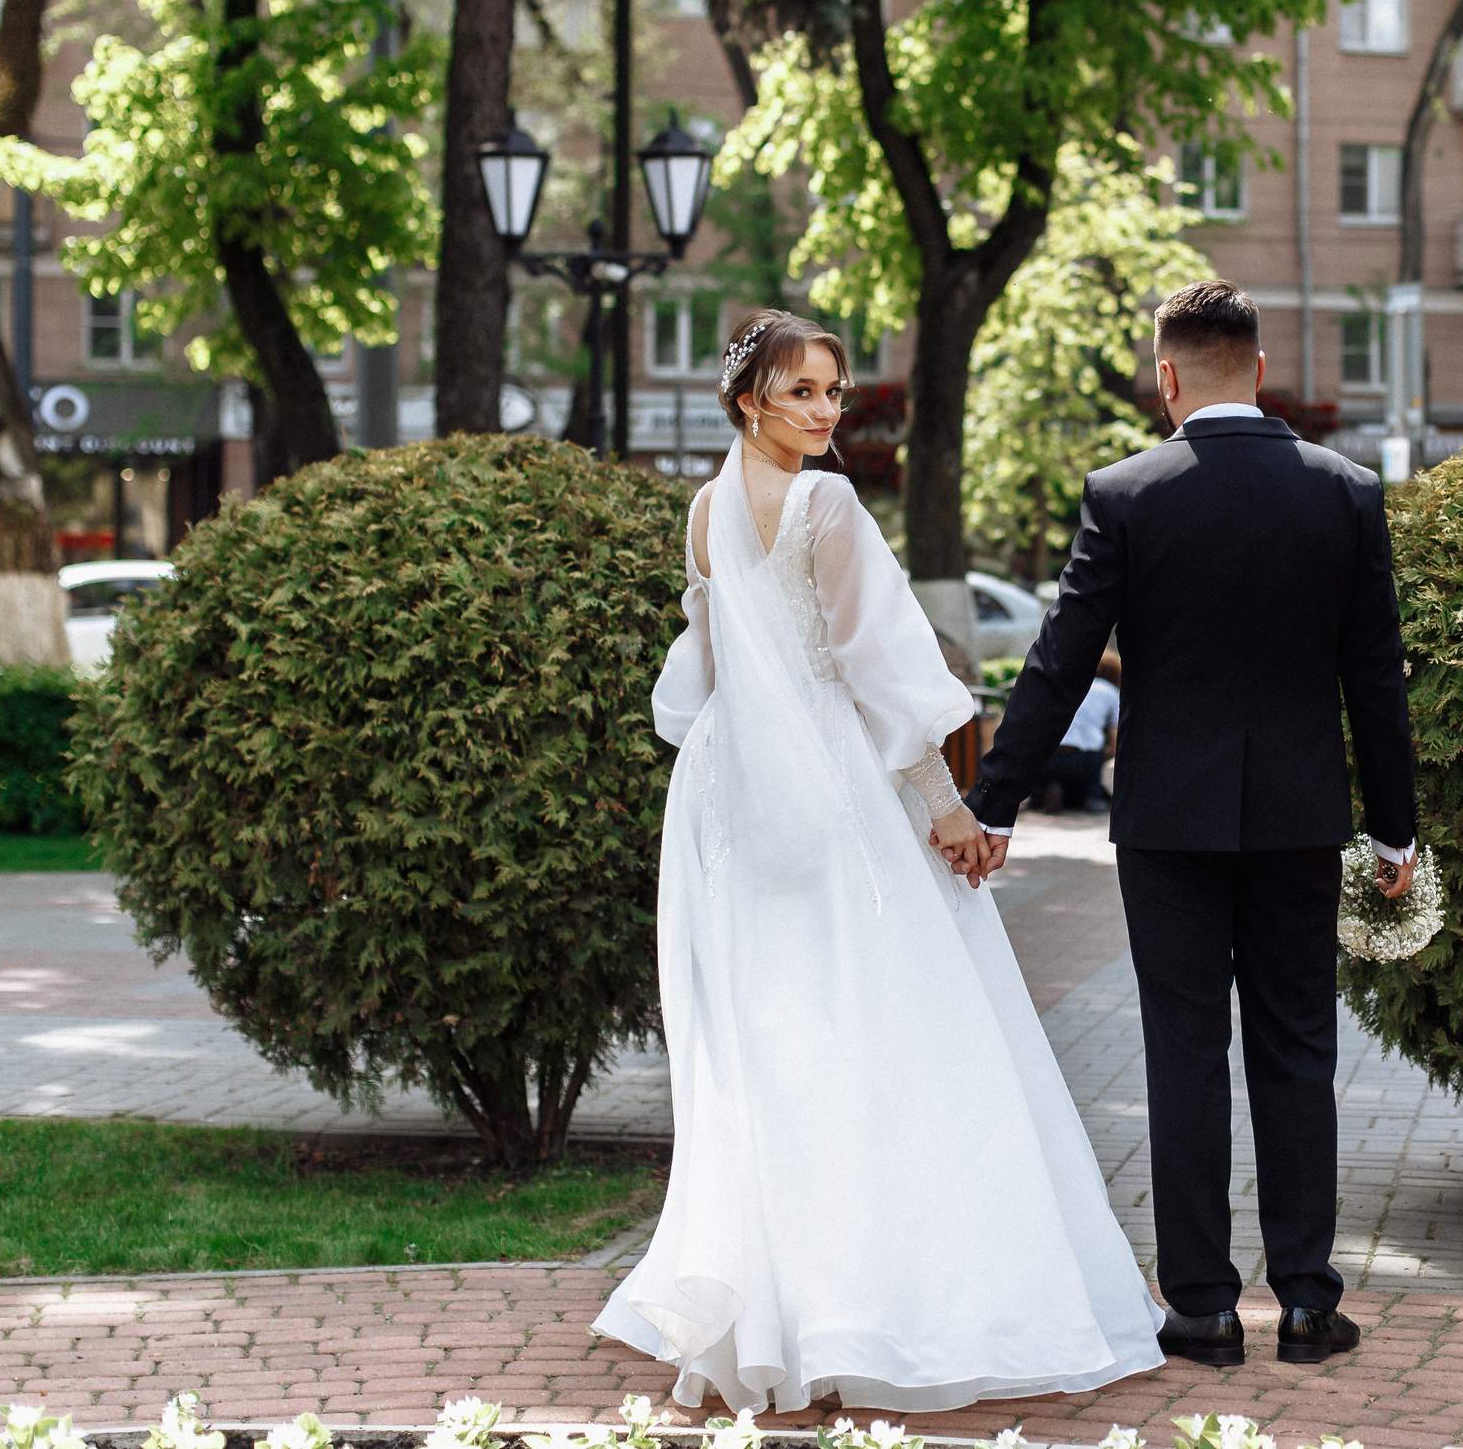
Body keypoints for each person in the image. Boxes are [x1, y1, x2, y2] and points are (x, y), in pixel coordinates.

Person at [593, 310, 1164, 1414]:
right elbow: (881, 669)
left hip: (728, 793)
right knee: (888, 1023)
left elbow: (705, 666)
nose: (825, 411)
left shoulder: (706, 510)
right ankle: (879, 1301)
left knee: (777, 1034)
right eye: (802, 391)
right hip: (823, 786)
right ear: (749, 398)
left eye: (834, 391)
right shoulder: (824, 505)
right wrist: (949, 810)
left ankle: (791, 1305)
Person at [964, 279, 1418, 1370]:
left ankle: (1202, 1310)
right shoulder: (1347, 491)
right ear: (1259, 369)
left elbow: (1060, 659)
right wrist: (1394, 832)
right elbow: (1375, 676)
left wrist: (995, 802)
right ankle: (1307, 1304)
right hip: (1302, 819)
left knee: (1183, 1052)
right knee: (1298, 1049)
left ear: (1165, 376)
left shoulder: (1125, 493)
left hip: (1168, 822)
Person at [1038, 652, 1120, 810]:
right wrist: (1108, 753)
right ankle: (1092, 797)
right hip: (1085, 759)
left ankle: (1051, 787)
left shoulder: (1064, 683)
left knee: (1048, 779)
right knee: (1091, 769)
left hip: (1049, 757)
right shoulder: (1110, 692)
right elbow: (1115, 738)